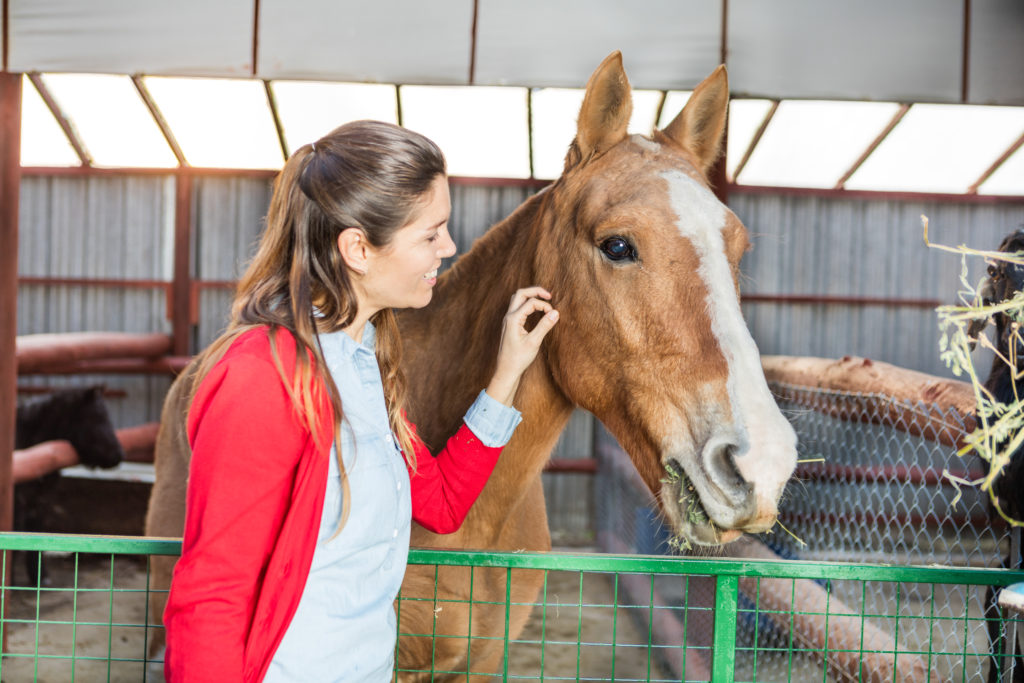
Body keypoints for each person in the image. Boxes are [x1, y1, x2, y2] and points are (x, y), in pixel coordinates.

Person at [162, 120, 559, 682]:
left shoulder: (366, 363)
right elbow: (212, 594)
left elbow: (441, 504)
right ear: (358, 249)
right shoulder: (262, 375)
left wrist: (507, 372)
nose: (448, 247)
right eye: (431, 234)